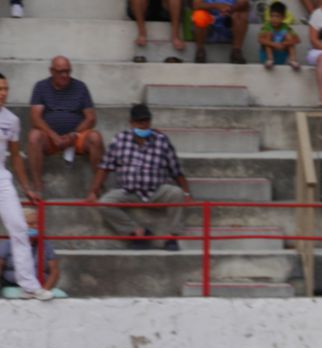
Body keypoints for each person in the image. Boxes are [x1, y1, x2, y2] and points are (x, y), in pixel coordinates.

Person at [85, 103, 192, 251]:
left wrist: (186, 192)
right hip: (129, 191)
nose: (143, 125)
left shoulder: (161, 141)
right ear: (132, 123)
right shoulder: (120, 140)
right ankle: (137, 231)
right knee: (104, 203)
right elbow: (105, 167)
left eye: (146, 121)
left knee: (177, 194)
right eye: (140, 121)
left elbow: (176, 170)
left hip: (156, 190)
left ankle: (171, 237)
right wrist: (93, 191)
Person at [0, 73, 52, 300]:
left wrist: (27, 187)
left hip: (2, 177)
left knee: (19, 227)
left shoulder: (11, 120)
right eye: (0, 88)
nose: (3, 93)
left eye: (6, 88)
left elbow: (15, 157)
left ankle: (29, 286)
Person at [27, 56, 104, 198]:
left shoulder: (80, 87)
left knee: (95, 137)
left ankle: (96, 188)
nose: (65, 75)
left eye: (68, 71)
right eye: (60, 72)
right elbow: (35, 118)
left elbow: (91, 118)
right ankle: (37, 188)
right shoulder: (41, 87)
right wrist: (53, 136)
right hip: (50, 138)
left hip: (76, 137)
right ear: (51, 71)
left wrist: (73, 134)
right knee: (33, 136)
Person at [0, 207, 65, 298]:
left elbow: (54, 272)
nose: (35, 227)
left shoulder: (46, 245)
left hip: (41, 287)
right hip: (14, 285)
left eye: (37, 224)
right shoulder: (8, 245)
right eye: (30, 224)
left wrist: (44, 291)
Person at [192, 0, 250, 64]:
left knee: (241, 14)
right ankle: (200, 52)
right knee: (199, 16)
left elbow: (244, 3)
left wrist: (230, 9)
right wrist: (217, 6)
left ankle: (236, 52)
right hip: (209, 24)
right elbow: (196, 5)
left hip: (229, 21)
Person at [259, 2, 301, 71]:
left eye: (277, 16)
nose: (274, 19)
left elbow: (297, 40)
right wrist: (273, 44)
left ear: (283, 17)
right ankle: (270, 60)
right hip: (266, 57)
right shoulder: (267, 26)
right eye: (272, 16)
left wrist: (284, 43)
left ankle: (293, 60)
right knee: (268, 35)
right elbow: (260, 39)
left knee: (289, 36)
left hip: (280, 54)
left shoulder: (286, 27)